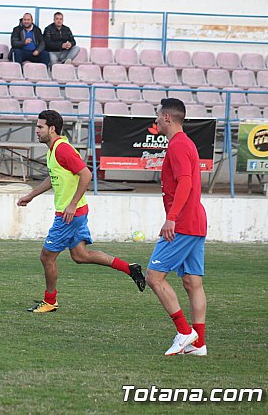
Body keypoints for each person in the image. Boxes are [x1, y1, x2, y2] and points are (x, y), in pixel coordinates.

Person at [17, 110, 145, 313]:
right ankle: (129, 268)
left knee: (47, 257)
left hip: (69, 215)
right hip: (75, 213)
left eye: (40, 127)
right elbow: (53, 177)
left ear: (52, 129)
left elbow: (86, 174)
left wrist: (72, 204)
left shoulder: (62, 149)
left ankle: (50, 301)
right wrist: (31, 195)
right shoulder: (54, 149)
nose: (36, 131)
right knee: (81, 256)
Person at [145, 98, 208, 356]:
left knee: (154, 277)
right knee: (192, 282)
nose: (156, 120)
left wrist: (171, 217)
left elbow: (185, 184)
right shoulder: (185, 143)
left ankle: (184, 332)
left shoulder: (179, 145)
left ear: (168, 118)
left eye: (158, 116)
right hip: (195, 221)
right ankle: (199, 344)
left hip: (182, 223)